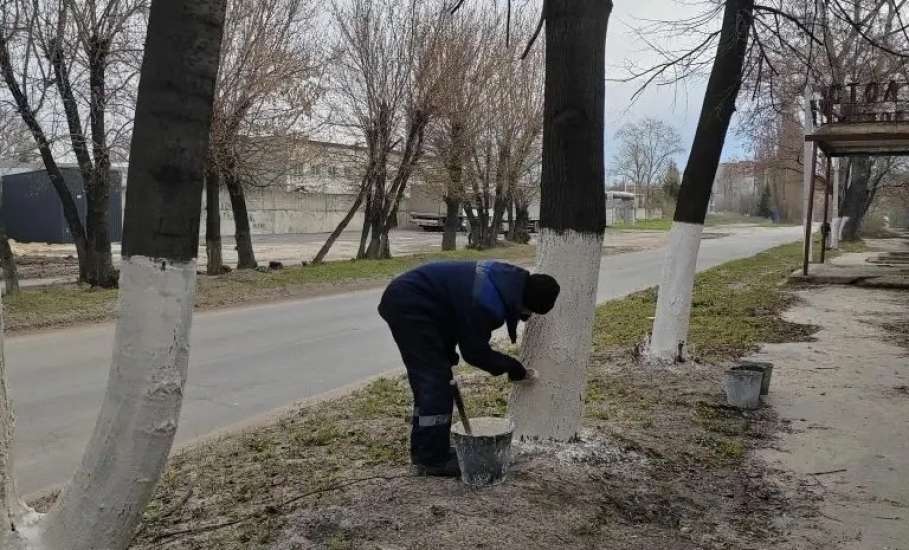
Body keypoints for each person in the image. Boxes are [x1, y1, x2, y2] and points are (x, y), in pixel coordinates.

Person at [378, 260, 560, 477]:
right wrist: (513, 368)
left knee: (435, 379)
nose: (525, 317)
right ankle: (431, 459)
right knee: (435, 382)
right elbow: (475, 353)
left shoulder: (505, 279)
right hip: (410, 303)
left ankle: (426, 449)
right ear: (524, 303)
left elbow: (456, 312)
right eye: (527, 312)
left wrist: (446, 350)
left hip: (423, 302)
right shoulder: (487, 301)